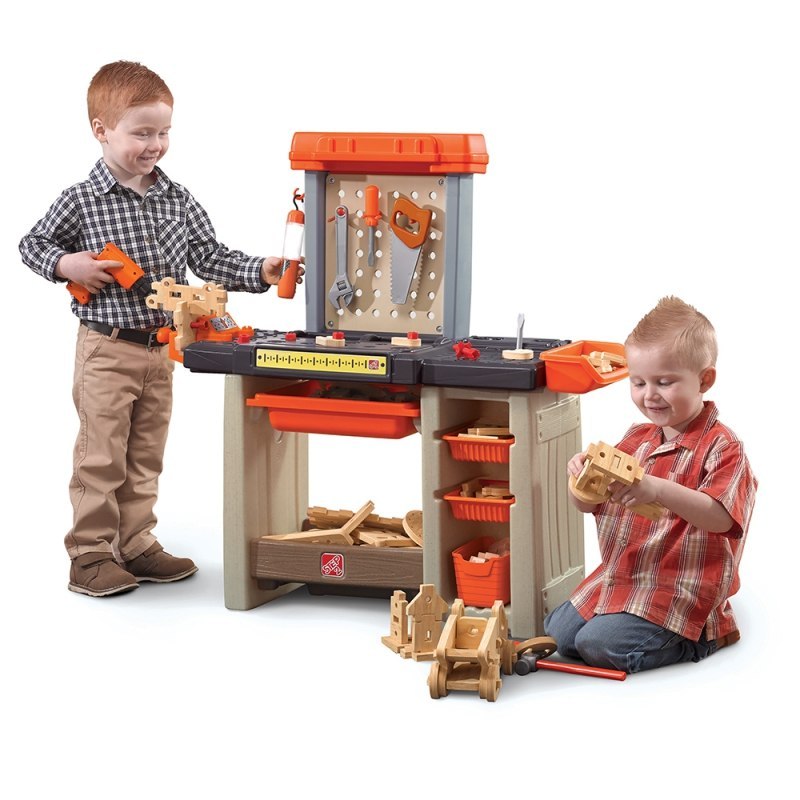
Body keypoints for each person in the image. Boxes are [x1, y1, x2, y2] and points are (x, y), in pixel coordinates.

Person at [19, 61, 301, 597]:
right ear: (102, 130)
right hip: (106, 349)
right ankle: (90, 555)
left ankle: (136, 544)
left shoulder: (177, 198)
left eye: (164, 132)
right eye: (142, 133)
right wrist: (66, 264)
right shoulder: (82, 199)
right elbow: (32, 244)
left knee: (145, 454)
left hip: (162, 350)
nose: (155, 145)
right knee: (102, 455)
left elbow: (209, 257)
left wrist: (261, 271)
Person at [545, 296, 757, 673]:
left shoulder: (724, 447)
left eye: (664, 382)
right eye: (639, 382)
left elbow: (721, 518)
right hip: (625, 575)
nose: (649, 395)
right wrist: (579, 480)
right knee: (558, 634)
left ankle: (701, 638)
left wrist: (657, 489)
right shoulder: (636, 439)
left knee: (597, 644)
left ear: (704, 380)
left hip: (678, 588)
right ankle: (622, 624)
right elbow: (589, 504)